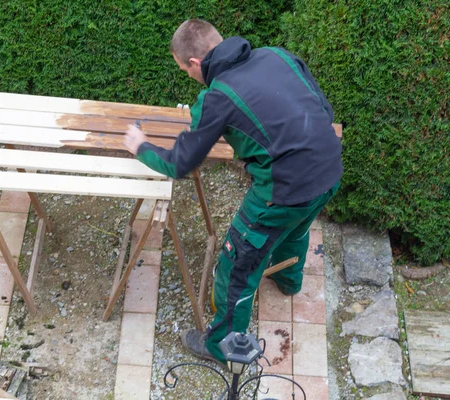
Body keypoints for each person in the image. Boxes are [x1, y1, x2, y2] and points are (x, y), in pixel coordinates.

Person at [123, 19, 342, 367]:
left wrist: (141, 147)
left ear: (195, 63)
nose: (189, 76)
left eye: (185, 70)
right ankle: (288, 280)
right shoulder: (276, 55)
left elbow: (180, 164)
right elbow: (323, 110)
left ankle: (220, 344)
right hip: (330, 171)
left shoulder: (217, 96)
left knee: (236, 263)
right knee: (296, 228)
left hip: (282, 192)